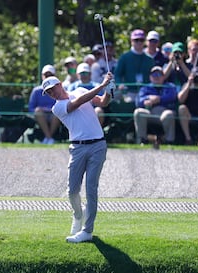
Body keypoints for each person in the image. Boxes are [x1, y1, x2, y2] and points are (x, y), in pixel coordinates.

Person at [41, 71, 113, 243]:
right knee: (72, 190)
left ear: (60, 84)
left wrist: (109, 91)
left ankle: (87, 231)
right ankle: (77, 215)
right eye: (48, 93)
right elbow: (77, 103)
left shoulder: (80, 90)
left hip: (98, 145)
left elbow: (102, 102)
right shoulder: (57, 107)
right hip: (78, 148)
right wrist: (102, 85)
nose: (52, 93)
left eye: (52, 89)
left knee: (91, 189)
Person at [133, 65, 177, 145]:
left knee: (169, 114)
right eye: (154, 75)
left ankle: (169, 141)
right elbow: (138, 100)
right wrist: (146, 100)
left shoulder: (170, 86)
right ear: (150, 77)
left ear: (163, 77)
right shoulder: (145, 88)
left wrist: (159, 99)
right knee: (138, 112)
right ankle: (142, 139)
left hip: (164, 111)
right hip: (150, 112)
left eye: (159, 75)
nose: (156, 77)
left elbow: (172, 96)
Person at [114, 29, 155, 101]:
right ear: (131, 41)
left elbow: (154, 76)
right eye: (136, 40)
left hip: (147, 92)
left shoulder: (150, 59)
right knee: (128, 101)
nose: (139, 42)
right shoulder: (124, 57)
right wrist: (120, 84)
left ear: (144, 41)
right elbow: (117, 75)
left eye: (141, 40)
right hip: (129, 91)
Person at [28, 64, 61, 144]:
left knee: (58, 112)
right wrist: (41, 109)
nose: (48, 77)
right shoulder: (36, 91)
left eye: (50, 75)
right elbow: (31, 108)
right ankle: (49, 138)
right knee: (38, 111)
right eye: (46, 75)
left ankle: (47, 138)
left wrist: (51, 109)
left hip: (54, 113)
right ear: (42, 76)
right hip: (42, 115)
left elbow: (62, 103)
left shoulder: (59, 89)